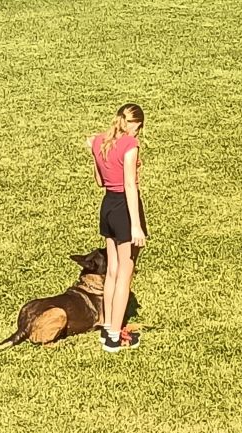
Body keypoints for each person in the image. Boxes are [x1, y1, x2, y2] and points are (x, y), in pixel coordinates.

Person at [86, 103, 148, 353]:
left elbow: (100, 181)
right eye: (138, 128)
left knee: (112, 270)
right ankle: (114, 336)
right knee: (125, 272)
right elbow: (130, 186)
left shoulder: (98, 142)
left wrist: (94, 154)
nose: (138, 132)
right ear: (134, 124)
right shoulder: (130, 145)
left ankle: (106, 326)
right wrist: (136, 226)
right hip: (124, 209)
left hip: (107, 206)